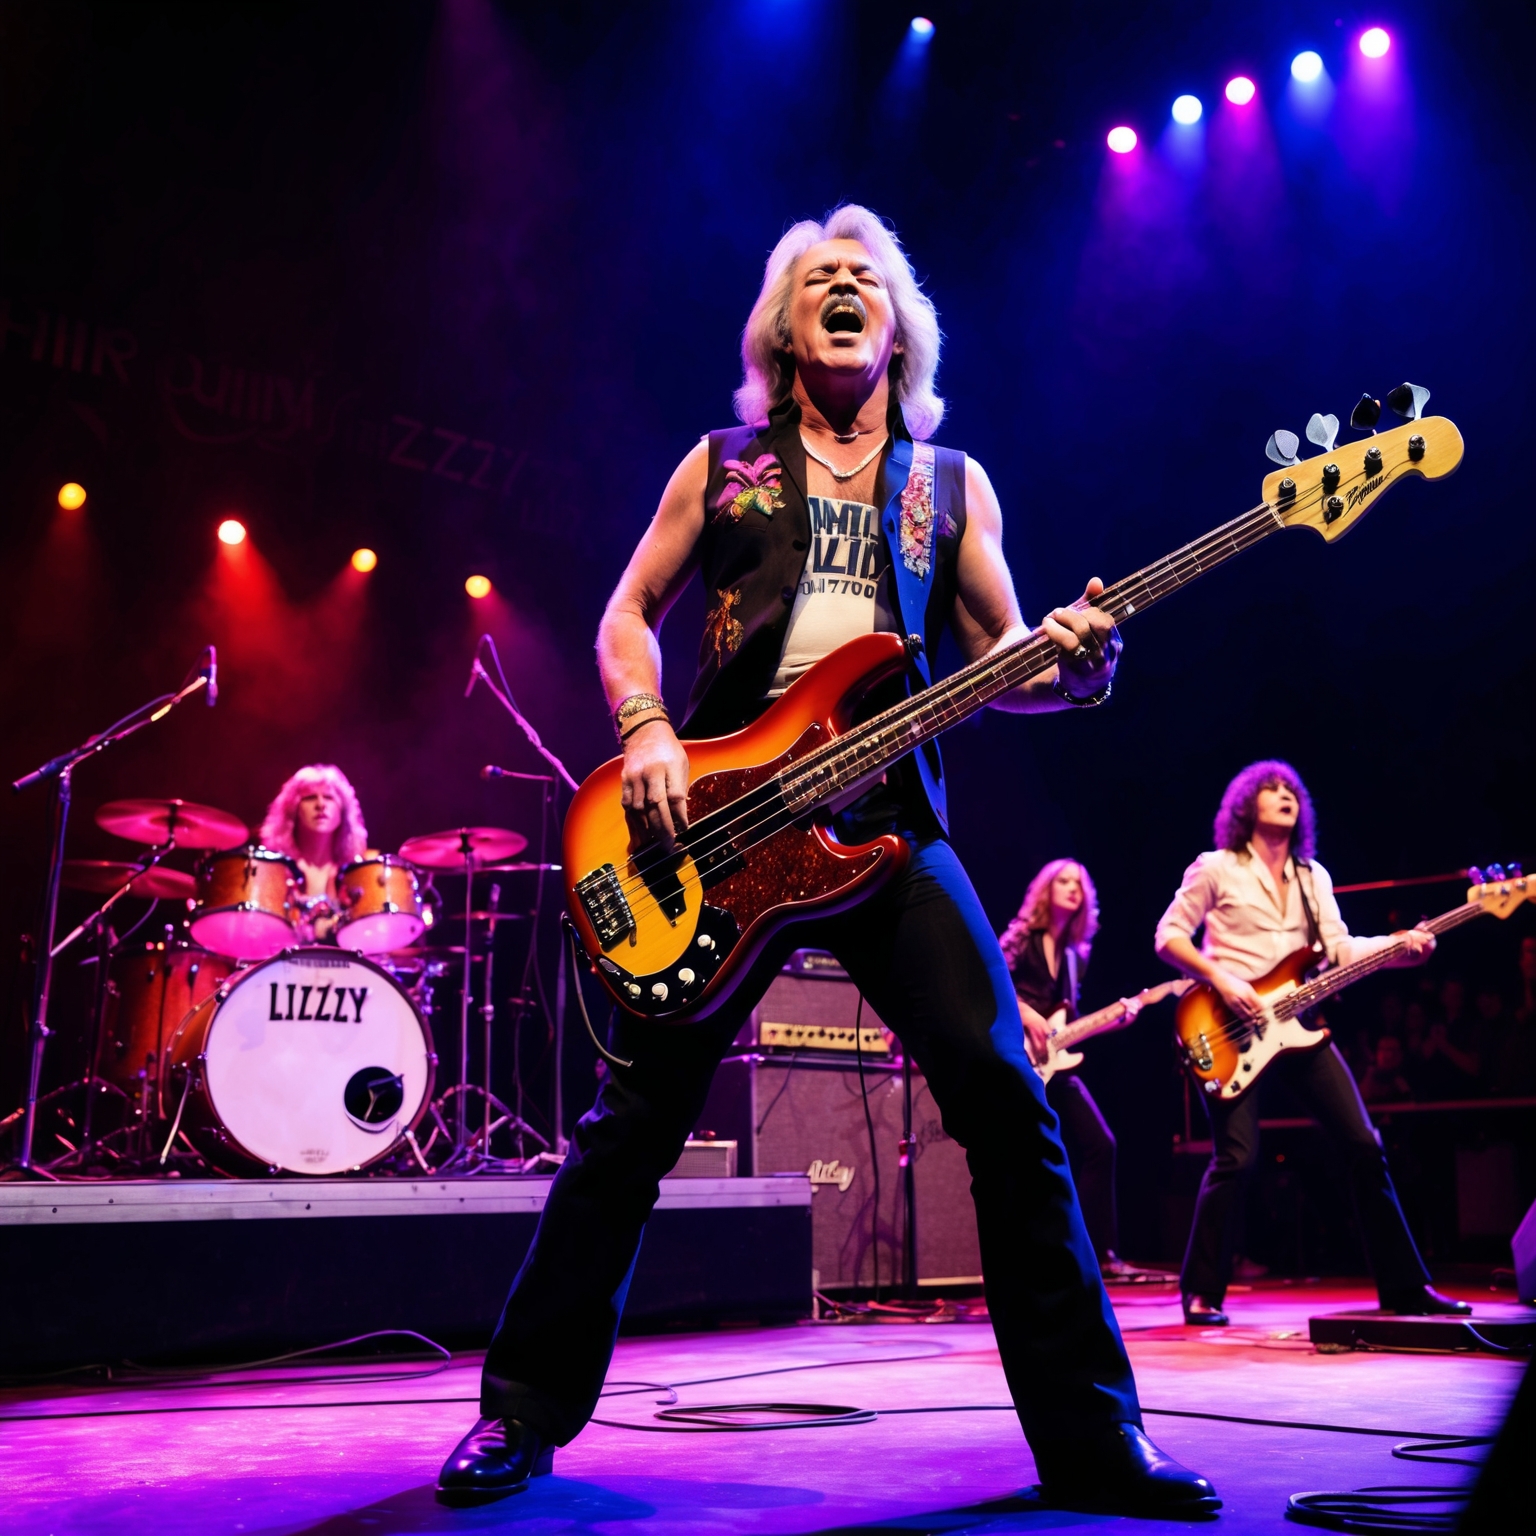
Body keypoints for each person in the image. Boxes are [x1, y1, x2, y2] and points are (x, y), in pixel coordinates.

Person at [437, 205, 1217, 1515]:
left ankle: (1094, 1438)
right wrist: (645, 730)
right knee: (632, 1125)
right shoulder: (729, 466)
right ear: (783, 327)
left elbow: (1003, 664)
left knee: (1007, 1095)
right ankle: (518, 1415)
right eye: (818, 279)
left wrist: (1073, 675)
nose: (845, 287)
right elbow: (627, 613)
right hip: (718, 835)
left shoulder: (946, 484)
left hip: (890, 829)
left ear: (900, 326)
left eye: (868, 278)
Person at [1154, 760, 1470, 1326]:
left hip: (1297, 1024)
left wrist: (1398, 947)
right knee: (1237, 1159)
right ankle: (1201, 1292)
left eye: (1291, 790)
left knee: (1365, 1145)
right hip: (1227, 1028)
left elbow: (1340, 949)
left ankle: (1405, 1287)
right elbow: (1168, 937)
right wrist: (1224, 981)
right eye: (1271, 789)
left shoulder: (1312, 876)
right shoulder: (1216, 868)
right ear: (1246, 805)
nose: (1284, 796)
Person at [1001, 859, 1136, 1278]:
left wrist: (1112, 1022)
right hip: (1019, 1057)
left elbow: (1066, 1028)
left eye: (1079, 883)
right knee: (1024, 1156)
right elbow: (991, 987)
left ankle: (1101, 1256)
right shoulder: (1021, 937)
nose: (1073, 888)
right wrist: (1024, 1012)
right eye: (1063, 881)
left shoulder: (1077, 955)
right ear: (1046, 889)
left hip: (1057, 1065)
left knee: (1101, 1145)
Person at [258, 764, 370, 942]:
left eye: (329, 797)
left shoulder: (356, 873)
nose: (320, 804)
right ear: (292, 810)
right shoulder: (276, 871)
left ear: (343, 811)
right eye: (310, 798)